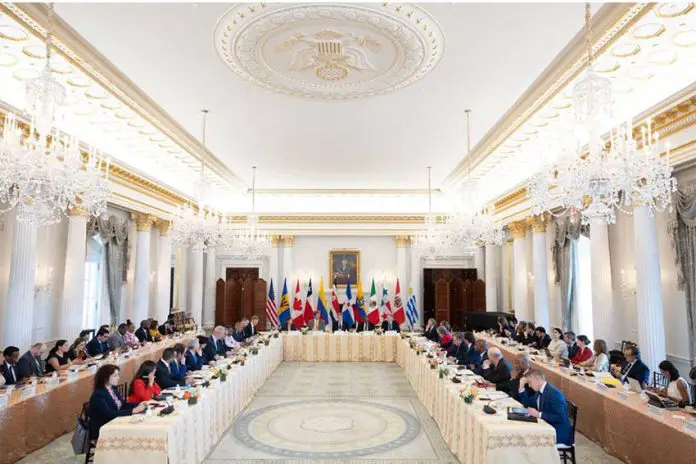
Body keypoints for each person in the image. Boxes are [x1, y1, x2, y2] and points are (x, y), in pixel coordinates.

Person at [88, 364, 145, 440]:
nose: (118, 378)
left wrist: (139, 404)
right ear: (105, 378)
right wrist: (133, 410)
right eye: (115, 376)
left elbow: (123, 405)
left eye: (118, 375)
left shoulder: (113, 389)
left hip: (114, 423)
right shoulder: (98, 394)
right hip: (103, 429)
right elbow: (110, 414)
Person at [519, 370, 573, 446]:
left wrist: (539, 414)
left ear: (537, 379)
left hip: (558, 432)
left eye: (530, 382)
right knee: (525, 434)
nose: (529, 386)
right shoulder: (539, 391)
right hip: (548, 426)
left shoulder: (554, 394)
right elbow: (528, 405)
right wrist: (521, 387)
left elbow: (560, 417)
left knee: (530, 439)